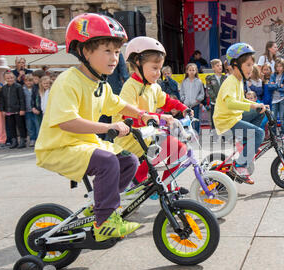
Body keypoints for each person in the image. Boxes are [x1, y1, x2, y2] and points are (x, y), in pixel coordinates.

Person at [34, 13, 159, 242]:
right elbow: (66, 121)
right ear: (84, 51)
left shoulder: (99, 83)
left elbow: (117, 103)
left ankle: (99, 207)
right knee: (107, 161)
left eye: (117, 51)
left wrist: (143, 114)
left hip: (82, 145)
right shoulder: (68, 80)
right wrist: (108, 126)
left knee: (128, 160)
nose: (115, 58)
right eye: (107, 51)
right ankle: (104, 222)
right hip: (58, 147)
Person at [113, 36, 191, 191]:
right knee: (171, 146)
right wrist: (161, 118)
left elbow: (166, 101)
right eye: (154, 68)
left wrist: (183, 108)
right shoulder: (130, 87)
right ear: (137, 64)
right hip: (130, 139)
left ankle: (166, 186)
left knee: (180, 149)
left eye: (160, 69)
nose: (158, 73)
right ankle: (135, 183)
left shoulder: (154, 86)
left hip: (147, 136)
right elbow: (129, 117)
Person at [213, 42, 266, 184]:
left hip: (234, 117)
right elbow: (230, 103)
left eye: (252, 64)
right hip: (226, 121)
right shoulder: (231, 81)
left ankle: (246, 141)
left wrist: (257, 105)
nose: (251, 68)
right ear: (235, 65)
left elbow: (241, 99)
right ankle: (240, 165)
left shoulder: (238, 80)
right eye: (248, 65)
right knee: (259, 133)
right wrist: (252, 105)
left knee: (261, 112)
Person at [1, 71, 26, 149]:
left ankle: (22, 140)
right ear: (5, 79)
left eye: (11, 78)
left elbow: (22, 99)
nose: (10, 79)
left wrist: (22, 109)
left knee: (20, 126)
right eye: (8, 78)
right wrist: (2, 110)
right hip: (8, 111)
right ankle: (14, 141)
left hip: (17, 110)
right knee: (11, 126)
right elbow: (2, 100)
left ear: (14, 78)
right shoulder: (4, 88)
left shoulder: (18, 87)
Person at [266, 58, 284, 138]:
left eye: (281, 66)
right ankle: (274, 134)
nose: (279, 68)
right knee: (273, 117)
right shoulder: (273, 75)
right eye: (277, 66)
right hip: (274, 99)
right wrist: (279, 85)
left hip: (283, 98)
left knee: (282, 117)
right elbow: (269, 86)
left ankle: (283, 133)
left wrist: (275, 85)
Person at [180, 63, 205, 133]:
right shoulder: (184, 82)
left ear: (196, 71)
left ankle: (196, 133)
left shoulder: (199, 82)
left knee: (196, 119)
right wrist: (183, 99)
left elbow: (202, 93)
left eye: (193, 70)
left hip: (195, 104)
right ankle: (187, 133)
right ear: (187, 71)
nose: (191, 72)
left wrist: (198, 99)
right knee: (187, 120)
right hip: (186, 105)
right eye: (190, 70)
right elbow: (181, 92)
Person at [205, 59, 227, 136]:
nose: (220, 67)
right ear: (213, 68)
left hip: (224, 103)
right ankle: (214, 135)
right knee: (215, 118)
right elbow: (209, 90)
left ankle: (224, 134)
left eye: (221, 65)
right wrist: (216, 99)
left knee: (224, 119)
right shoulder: (209, 78)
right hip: (215, 102)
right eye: (217, 66)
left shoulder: (225, 78)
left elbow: (227, 89)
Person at [22, 74, 40, 147]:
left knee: (37, 125)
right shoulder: (22, 89)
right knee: (29, 126)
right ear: (24, 81)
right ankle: (32, 139)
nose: (28, 82)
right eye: (27, 81)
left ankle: (38, 139)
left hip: (35, 110)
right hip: (27, 110)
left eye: (30, 81)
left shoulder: (36, 88)